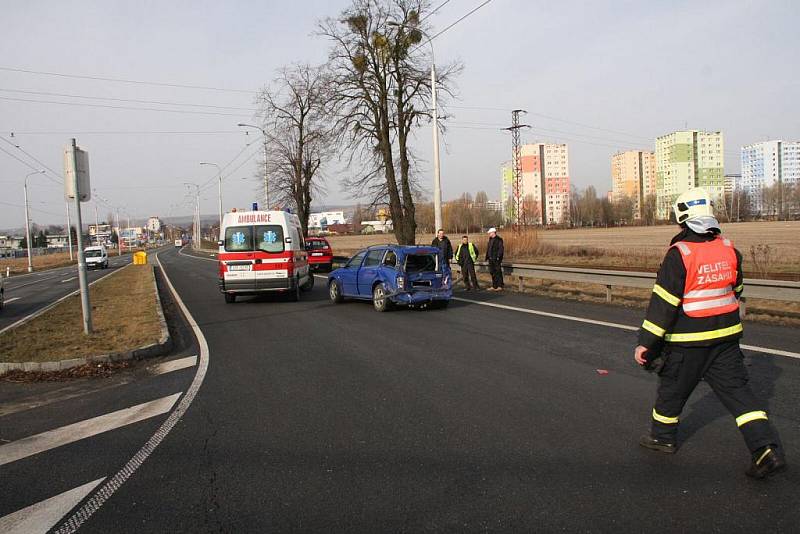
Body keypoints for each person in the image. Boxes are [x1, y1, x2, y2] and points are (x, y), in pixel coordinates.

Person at [634, 187, 786, 479]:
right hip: (726, 341)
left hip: (687, 344)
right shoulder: (729, 249)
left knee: (671, 392)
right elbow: (736, 291)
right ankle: (766, 449)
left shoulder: (680, 254)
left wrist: (645, 344)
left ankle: (663, 439)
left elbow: (663, 306)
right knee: (741, 397)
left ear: (682, 217)